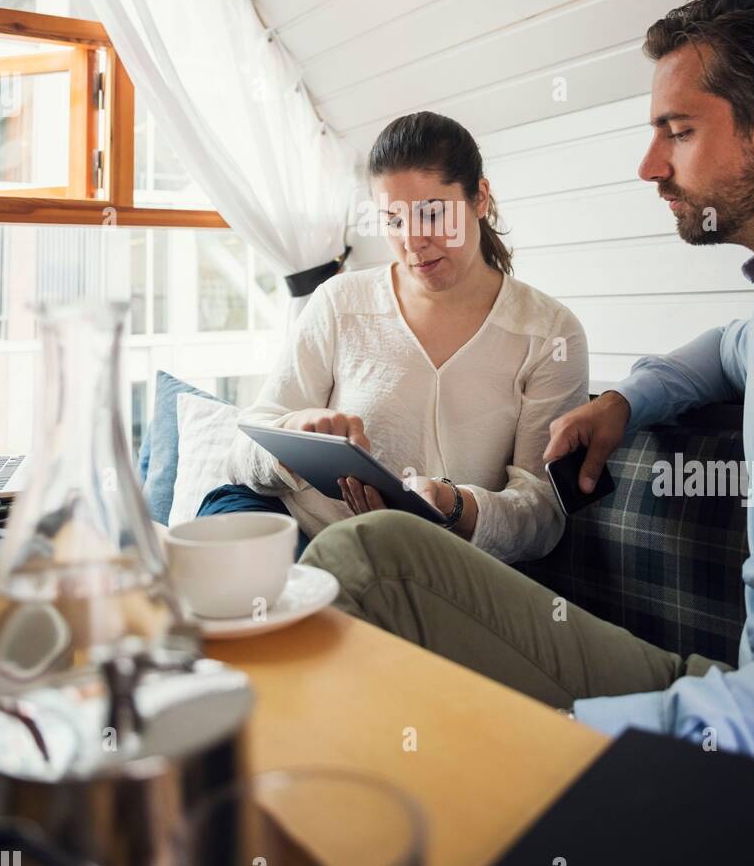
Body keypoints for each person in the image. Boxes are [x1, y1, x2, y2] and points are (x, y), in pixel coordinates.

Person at [300, 0, 754, 777]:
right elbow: (732, 348)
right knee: (373, 554)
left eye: (678, 132)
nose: (649, 166)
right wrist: (631, 397)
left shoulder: (544, 330)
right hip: (729, 683)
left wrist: (574, 739)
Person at [211, 111, 589, 565]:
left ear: (480, 198)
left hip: (412, 564)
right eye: (392, 220)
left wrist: (454, 506)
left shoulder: (548, 333)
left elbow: (543, 516)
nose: (412, 241)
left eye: (431, 214)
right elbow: (238, 457)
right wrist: (291, 433)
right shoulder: (339, 301)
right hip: (283, 525)